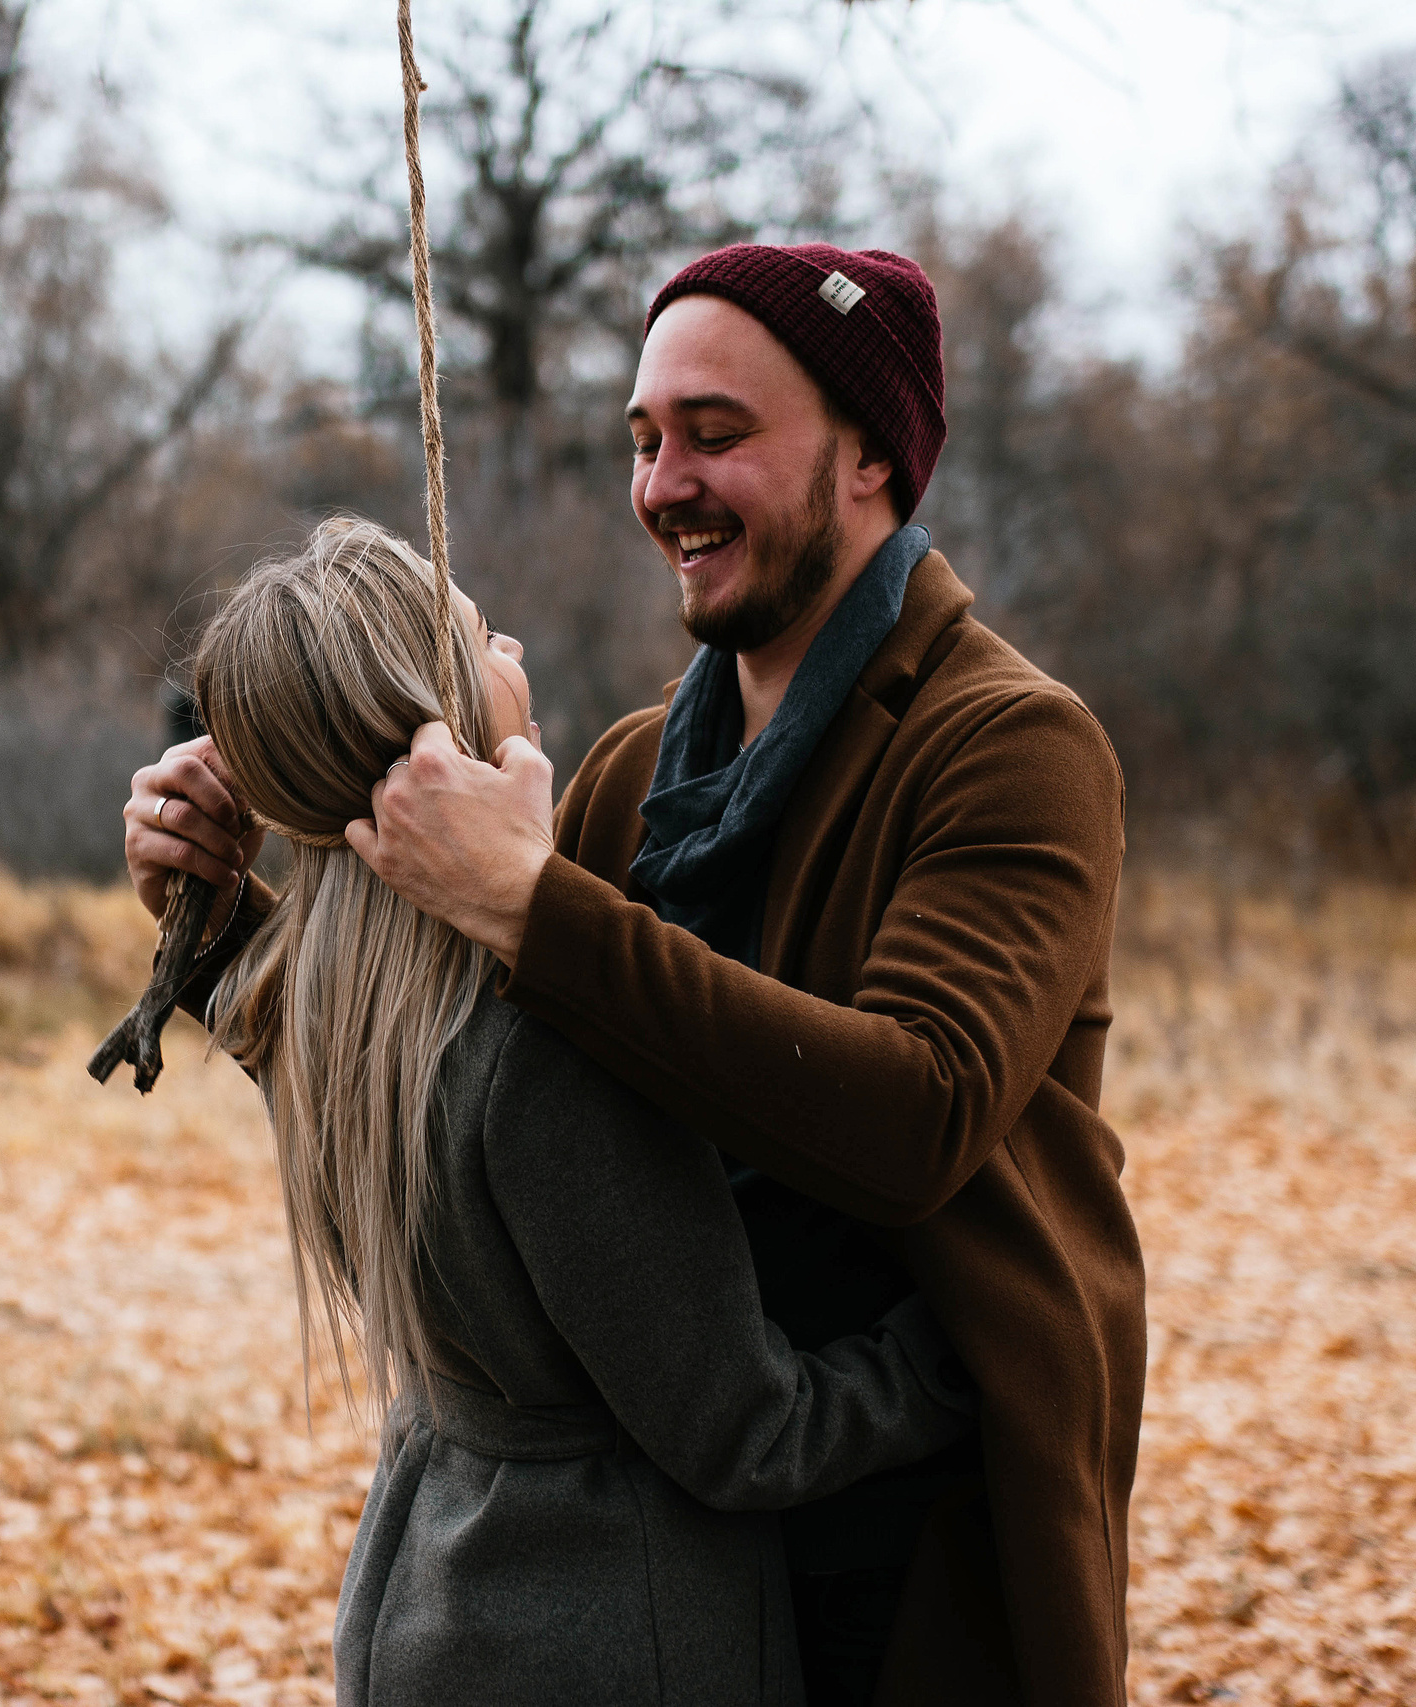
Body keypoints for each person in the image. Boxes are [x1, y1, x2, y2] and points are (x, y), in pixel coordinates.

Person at [127, 245, 1142, 1707]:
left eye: (718, 432)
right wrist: (222, 923)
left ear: (870, 455)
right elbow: (457, 1090)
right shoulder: (621, 768)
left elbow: (921, 1111)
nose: (665, 479)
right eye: (645, 437)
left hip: (918, 1536)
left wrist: (537, 905)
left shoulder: (1011, 745)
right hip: (678, 1553)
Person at [158, 517, 976, 1706]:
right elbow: (746, 1432)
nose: (518, 645)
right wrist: (951, 1356)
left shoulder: (309, 1004)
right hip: (603, 1640)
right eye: (485, 637)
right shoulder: (546, 1048)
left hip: (424, 1602)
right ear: (433, 723)